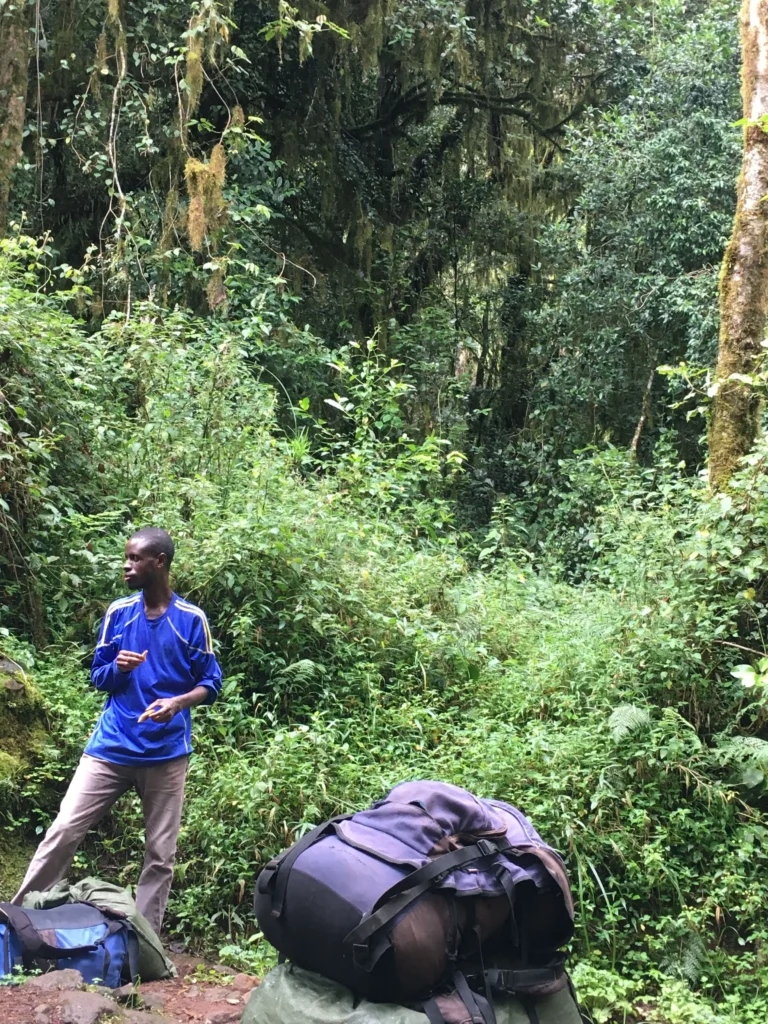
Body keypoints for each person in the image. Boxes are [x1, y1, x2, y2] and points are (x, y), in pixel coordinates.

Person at [13, 527, 223, 936]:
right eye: (126, 558)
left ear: (159, 562)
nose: (126, 566)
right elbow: (99, 676)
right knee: (64, 830)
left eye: (135, 559)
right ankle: (17, 923)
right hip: (110, 748)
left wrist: (178, 703)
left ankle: (142, 943)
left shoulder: (190, 619)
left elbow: (211, 683)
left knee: (160, 855)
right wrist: (119, 669)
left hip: (165, 755)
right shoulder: (119, 613)